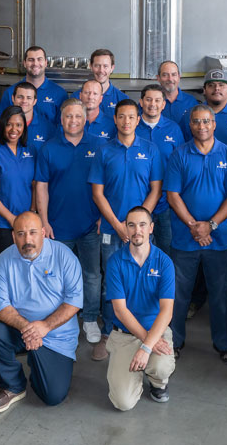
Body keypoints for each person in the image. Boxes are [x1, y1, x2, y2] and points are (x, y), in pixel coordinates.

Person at [164, 105, 227, 364]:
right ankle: (174, 342)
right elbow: (172, 195)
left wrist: (210, 225)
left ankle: (223, 344)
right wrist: (193, 225)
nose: (201, 126)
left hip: (218, 239)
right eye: (196, 122)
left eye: (206, 122)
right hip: (183, 237)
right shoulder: (179, 154)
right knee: (178, 294)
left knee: (219, 293)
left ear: (214, 124)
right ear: (191, 125)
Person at [0, 212, 83, 414]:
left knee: (52, 396)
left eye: (33, 233)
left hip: (57, 333)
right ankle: (12, 386)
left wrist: (44, 326)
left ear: (43, 233)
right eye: (20, 233)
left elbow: (74, 301)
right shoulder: (4, 259)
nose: (27, 240)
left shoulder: (64, 256)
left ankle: (39, 363)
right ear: (13, 236)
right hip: (20, 328)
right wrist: (28, 328)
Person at [89, 99, 164, 361]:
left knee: (143, 282)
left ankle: (144, 331)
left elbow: (156, 189)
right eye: (122, 117)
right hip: (112, 228)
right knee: (112, 284)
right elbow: (98, 194)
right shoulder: (104, 151)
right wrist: (121, 226)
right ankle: (110, 332)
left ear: (138, 118)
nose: (126, 122)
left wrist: (138, 226)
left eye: (132, 117)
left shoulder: (151, 150)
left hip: (141, 233)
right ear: (115, 119)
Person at [35, 97, 105, 346]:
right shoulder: (49, 148)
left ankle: (89, 318)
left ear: (86, 119)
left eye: (78, 116)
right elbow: (41, 187)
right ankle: (60, 319)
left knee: (92, 275)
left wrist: (101, 218)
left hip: (90, 225)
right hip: (57, 226)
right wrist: (44, 220)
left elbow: (105, 186)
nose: (73, 120)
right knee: (57, 276)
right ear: (60, 119)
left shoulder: (98, 146)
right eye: (68, 116)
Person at [105, 206, 177, 410]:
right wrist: (147, 343)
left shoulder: (164, 262)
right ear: (126, 229)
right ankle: (125, 361)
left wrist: (146, 346)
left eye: (143, 225)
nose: (137, 230)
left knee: (161, 367)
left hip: (156, 332)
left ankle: (157, 382)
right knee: (123, 403)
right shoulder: (115, 262)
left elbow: (167, 311)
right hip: (125, 334)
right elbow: (120, 311)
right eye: (132, 225)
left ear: (151, 228)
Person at [0, 106, 36, 266]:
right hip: (0, 225)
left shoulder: (30, 150)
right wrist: (12, 219)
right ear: (2, 125)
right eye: (9, 124)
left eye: (18, 125)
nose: (14, 129)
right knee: (2, 272)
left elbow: (34, 184)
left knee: (25, 271)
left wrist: (31, 212)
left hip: (26, 225)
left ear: (24, 128)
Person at [135, 84, 185, 253]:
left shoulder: (174, 129)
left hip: (166, 205)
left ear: (163, 104)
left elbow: (181, 166)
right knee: (138, 253)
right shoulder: (131, 127)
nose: (152, 104)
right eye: (148, 99)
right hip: (137, 203)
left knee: (166, 253)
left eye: (157, 100)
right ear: (141, 102)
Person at [179, 69, 227, 148]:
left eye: (221, 85)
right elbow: (181, 147)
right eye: (211, 85)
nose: (216, 88)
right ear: (204, 90)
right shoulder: (190, 115)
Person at [2, 46, 68, 124]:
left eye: (39, 59)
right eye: (31, 60)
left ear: (46, 62)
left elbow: (62, 126)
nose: (35, 63)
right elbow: (3, 125)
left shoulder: (59, 94)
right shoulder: (10, 93)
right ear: (24, 63)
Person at [74, 48, 128, 117]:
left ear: (112, 68)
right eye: (97, 66)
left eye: (105, 66)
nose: (101, 70)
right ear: (91, 66)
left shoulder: (122, 99)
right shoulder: (77, 97)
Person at [11, 81, 56, 154]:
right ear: (13, 98)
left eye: (29, 98)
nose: (24, 101)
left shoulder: (49, 129)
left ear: (35, 101)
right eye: (20, 97)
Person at [157, 60, 199, 124]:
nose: (170, 79)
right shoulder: (151, 102)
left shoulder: (191, 102)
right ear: (158, 78)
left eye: (174, 75)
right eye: (165, 75)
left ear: (179, 77)